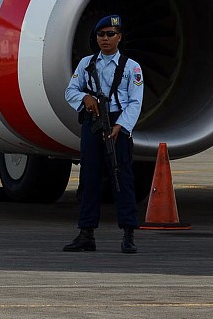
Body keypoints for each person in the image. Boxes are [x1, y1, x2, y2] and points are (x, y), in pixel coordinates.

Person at [63, 14, 144, 254]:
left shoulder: (131, 67)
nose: (105, 39)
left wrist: (122, 127)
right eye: (101, 34)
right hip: (93, 124)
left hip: (118, 124)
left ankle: (128, 233)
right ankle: (86, 232)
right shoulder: (87, 64)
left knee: (122, 179)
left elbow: (135, 102)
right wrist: (85, 98)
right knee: (89, 178)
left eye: (110, 34)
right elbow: (70, 91)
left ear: (119, 37)